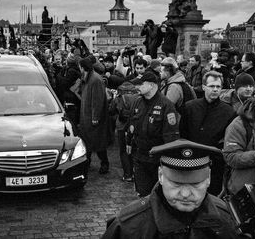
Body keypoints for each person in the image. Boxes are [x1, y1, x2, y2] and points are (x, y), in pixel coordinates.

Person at [102, 139, 238, 239]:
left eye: (195, 184)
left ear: (208, 178)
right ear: (160, 176)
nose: (185, 194)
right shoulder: (128, 228)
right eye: (176, 184)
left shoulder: (227, 219)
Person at [179, 71, 236, 195]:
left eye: (218, 87)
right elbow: (182, 134)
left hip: (214, 165)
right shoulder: (190, 107)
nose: (215, 90)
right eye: (211, 86)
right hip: (190, 160)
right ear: (204, 86)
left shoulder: (229, 112)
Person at [125, 71, 180, 196]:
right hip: (140, 157)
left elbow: (171, 137)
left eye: (141, 84)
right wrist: (128, 142)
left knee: (157, 195)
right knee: (142, 194)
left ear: (151, 85)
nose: (137, 87)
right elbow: (131, 124)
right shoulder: (138, 102)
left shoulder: (166, 105)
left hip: (157, 160)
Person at [78, 56, 109, 174]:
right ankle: (88, 162)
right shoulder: (88, 77)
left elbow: (97, 100)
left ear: (82, 67)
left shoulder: (95, 80)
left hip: (92, 118)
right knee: (88, 142)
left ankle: (104, 163)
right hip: (87, 116)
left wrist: (95, 117)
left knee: (98, 143)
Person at [109, 81, 140, 182]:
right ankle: (136, 174)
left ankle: (128, 175)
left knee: (123, 151)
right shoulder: (138, 97)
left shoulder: (118, 97)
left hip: (121, 127)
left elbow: (111, 111)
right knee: (134, 150)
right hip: (134, 127)